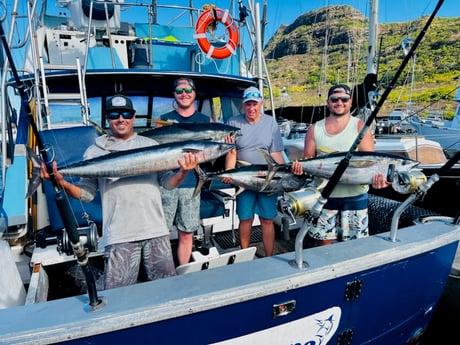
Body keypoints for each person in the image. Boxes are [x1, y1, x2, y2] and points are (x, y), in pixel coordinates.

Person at [41, 94, 199, 289]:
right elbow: (87, 194)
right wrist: (62, 181)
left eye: (126, 113)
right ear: (107, 118)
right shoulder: (94, 151)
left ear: (133, 117)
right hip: (119, 235)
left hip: (156, 230)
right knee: (117, 296)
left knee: (166, 290)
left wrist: (183, 172)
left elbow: (167, 183)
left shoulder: (150, 146)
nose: (121, 118)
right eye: (114, 114)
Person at [291, 84, 389, 246]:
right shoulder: (315, 129)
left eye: (344, 99)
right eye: (334, 99)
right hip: (324, 197)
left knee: (355, 246)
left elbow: (371, 163)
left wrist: (380, 180)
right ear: (328, 102)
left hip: (355, 197)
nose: (339, 102)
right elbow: (307, 162)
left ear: (350, 102)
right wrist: (299, 169)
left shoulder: (360, 127)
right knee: (323, 244)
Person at [223, 86, 286, 257]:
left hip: (267, 178)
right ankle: (244, 255)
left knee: (267, 219)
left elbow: (276, 153)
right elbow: (231, 151)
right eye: (248, 104)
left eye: (255, 104)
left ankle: (269, 256)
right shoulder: (233, 122)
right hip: (244, 178)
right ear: (243, 105)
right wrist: (229, 172)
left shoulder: (271, 123)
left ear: (261, 104)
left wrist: (284, 176)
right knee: (245, 218)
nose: (251, 108)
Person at [157, 77, 212, 265]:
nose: (184, 94)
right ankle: (163, 271)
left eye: (188, 90)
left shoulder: (206, 121)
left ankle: (182, 269)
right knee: (161, 232)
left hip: (191, 185)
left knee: (187, 232)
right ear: (174, 94)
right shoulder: (164, 121)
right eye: (179, 91)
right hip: (168, 184)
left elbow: (213, 151)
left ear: (195, 93)